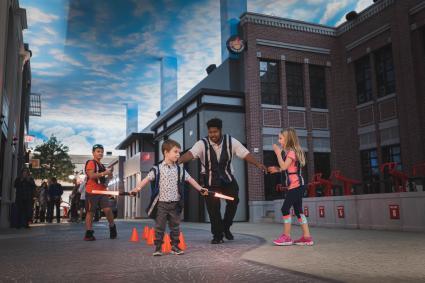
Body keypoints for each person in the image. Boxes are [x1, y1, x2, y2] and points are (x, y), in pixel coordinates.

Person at [178, 118, 267, 244]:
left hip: (227, 180)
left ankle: (226, 227)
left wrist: (258, 164)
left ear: (220, 131)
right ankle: (217, 235)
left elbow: (245, 153)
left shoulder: (231, 141)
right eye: (210, 132)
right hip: (210, 182)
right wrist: (178, 161)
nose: (212, 135)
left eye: (215, 132)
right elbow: (190, 154)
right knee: (213, 209)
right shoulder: (202, 144)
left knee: (234, 201)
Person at [130, 139, 208, 256]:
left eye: (179, 152)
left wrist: (200, 189)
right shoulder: (157, 169)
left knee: (175, 227)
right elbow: (145, 180)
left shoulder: (180, 170)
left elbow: (191, 179)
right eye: (175, 151)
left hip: (175, 204)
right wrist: (136, 189)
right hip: (161, 204)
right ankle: (158, 248)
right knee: (159, 227)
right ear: (166, 152)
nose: (178, 154)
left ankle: (175, 247)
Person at [268, 128, 314, 246]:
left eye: (280, 138)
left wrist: (278, 153)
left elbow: (284, 167)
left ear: (287, 139)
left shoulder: (291, 152)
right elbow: (288, 168)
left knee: (285, 209)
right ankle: (307, 237)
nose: (279, 141)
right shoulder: (291, 151)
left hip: (296, 186)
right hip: (297, 185)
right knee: (298, 211)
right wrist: (277, 169)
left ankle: (287, 237)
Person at [84, 144, 116, 241]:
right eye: (98, 151)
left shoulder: (102, 166)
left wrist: (110, 174)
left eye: (102, 151)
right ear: (93, 153)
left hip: (102, 190)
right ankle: (89, 233)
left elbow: (108, 179)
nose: (100, 153)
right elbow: (91, 175)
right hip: (91, 191)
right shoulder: (91, 162)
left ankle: (112, 226)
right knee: (90, 212)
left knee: (107, 210)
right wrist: (104, 173)